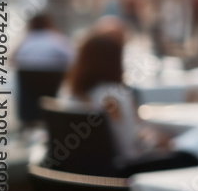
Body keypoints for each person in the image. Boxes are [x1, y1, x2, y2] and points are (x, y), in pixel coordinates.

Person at [58, 17, 173, 160]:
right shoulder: (114, 96)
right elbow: (129, 145)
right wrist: (159, 141)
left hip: (77, 169)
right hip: (121, 171)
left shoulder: (69, 92)